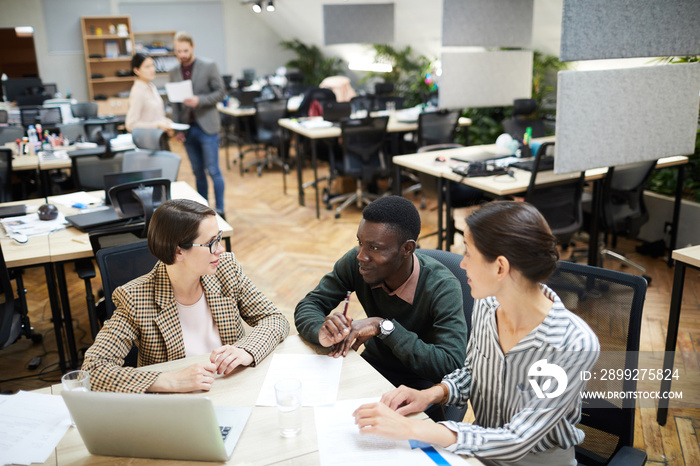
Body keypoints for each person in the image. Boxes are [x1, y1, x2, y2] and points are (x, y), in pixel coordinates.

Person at [353, 201, 600, 465]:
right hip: (478, 456)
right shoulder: (487, 306)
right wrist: (432, 394)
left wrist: (415, 429)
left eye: (469, 253)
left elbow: (517, 440)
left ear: (500, 268)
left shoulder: (572, 344)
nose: (462, 263)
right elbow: (474, 371)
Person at [83, 199, 290, 393]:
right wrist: (171, 380)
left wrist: (246, 350)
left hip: (233, 388)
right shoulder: (136, 298)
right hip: (180, 405)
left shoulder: (226, 269)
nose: (221, 249)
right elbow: (93, 369)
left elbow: (274, 319)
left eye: (219, 238)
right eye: (211, 243)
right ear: (178, 252)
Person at [294, 196, 467, 394]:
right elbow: (311, 303)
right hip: (371, 369)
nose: (361, 255)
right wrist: (322, 332)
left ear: (407, 249)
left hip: (420, 386)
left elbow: (451, 365)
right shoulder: (357, 262)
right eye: (360, 242)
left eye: (374, 248)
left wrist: (383, 326)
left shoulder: (442, 287)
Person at [169, 32, 226, 216]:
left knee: (213, 171)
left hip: (207, 126)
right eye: (178, 51)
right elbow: (175, 103)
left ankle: (220, 210)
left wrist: (199, 100)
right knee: (197, 173)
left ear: (192, 47)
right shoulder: (173, 71)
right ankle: (203, 212)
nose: (182, 55)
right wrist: (177, 128)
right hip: (187, 128)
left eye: (185, 50)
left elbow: (220, 93)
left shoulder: (208, 66)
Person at [124, 53, 173, 133]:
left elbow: (156, 117)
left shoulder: (151, 87)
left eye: (152, 65)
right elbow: (131, 125)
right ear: (136, 70)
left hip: (158, 138)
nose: (152, 69)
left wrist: (166, 122)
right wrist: (157, 125)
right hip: (147, 139)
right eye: (147, 67)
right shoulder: (138, 91)